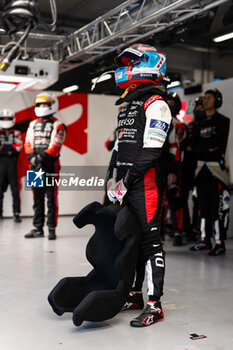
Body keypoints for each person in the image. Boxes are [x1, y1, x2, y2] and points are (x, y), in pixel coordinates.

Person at [106, 44, 172, 327]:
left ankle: (155, 305)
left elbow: (151, 151)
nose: (123, 68)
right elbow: (119, 148)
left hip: (145, 186)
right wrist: (111, 180)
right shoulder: (129, 103)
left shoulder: (157, 103)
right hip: (124, 184)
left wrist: (126, 182)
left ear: (150, 64)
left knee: (149, 243)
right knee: (127, 240)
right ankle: (134, 294)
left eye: (130, 62)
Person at [190, 89, 230, 255]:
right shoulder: (199, 124)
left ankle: (219, 242)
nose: (205, 101)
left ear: (217, 100)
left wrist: (204, 147)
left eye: (209, 98)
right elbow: (194, 147)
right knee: (202, 207)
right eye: (204, 98)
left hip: (216, 169)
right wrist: (207, 147)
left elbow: (219, 144)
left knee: (217, 208)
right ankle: (205, 240)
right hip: (201, 169)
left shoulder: (223, 121)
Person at [24, 92, 66, 240]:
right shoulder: (33, 124)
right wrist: (32, 157)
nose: (42, 107)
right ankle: (37, 228)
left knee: (51, 198)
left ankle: (51, 228)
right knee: (37, 198)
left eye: (45, 104)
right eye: (39, 104)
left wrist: (41, 158)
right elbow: (27, 143)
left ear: (52, 105)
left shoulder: (58, 124)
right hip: (34, 166)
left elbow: (56, 145)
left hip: (51, 166)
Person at [166, 92, 187, 246]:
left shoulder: (179, 125)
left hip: (175, 167)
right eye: (168, 102)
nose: (169, 104)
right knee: (159, 200)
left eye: (173, 103)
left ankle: (178, 231)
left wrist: (173, 169)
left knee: (175, 200)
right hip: (159, 166)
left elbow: (176, 147)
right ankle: (158, 231)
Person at [0, 109, 23, 222]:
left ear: (12, 120)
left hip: (13, 165)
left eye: (8, 119)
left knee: (15, 190)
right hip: (1, 165)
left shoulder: (17, 133)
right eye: (4, 119)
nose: (6, 121)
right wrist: (10, 149)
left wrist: (4, 149)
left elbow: (18, 147)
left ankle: (16, 213)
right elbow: (13, 148)